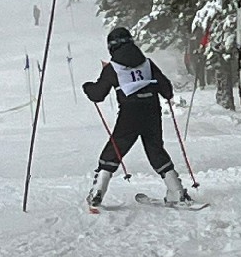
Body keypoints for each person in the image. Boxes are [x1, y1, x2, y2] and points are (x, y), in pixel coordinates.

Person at [82, 27, 191, 207]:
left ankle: (98, 191)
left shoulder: (113, 68)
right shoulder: (147, 63)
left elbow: (98, 95)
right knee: (155, 149)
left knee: (115, 149)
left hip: (129, 114)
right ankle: (177, 191)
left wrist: (87, 87)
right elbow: (167, 90)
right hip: (152, 111)